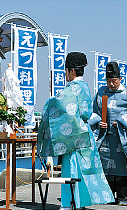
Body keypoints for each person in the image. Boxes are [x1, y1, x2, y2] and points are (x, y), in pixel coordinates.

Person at [37, 52, 114, 209]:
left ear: (71, 71)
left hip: (73, 139)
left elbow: (56, 103)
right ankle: (80, 203)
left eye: (66, 70)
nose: (65, 74)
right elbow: (85, 113)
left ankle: (70, 204)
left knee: (72, 171)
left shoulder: (72, 89)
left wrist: (49, 105)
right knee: (85, 171)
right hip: (85, 136)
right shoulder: (84, 87)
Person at [89, 61, 127, 206]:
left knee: (125, 167)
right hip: (106, 137)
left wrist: (123, 121)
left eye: (114, 81)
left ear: (120, 79)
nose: (111, 84)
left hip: (124, 138)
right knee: (106, 167)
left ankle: (125, 196)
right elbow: (93, 112)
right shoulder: (101, 92)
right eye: (108, 81)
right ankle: (107, 195)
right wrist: (99, 122)